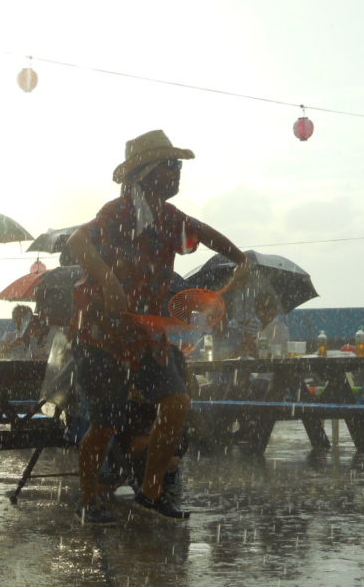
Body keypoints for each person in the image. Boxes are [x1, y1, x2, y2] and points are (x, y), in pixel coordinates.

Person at [67, 130, 248, 524]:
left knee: (178, 402)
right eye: (171, 166)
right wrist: (109, 281)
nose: (178, 173)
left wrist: (240, 259)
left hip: (146, 333)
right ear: (148, 173)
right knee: (104, 422)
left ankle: (150, 492)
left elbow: (207, 232)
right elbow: (79, 242)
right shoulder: (116, 213)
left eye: (178, 165)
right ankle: (89, 495)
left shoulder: (170, 218)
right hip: (103, 334)